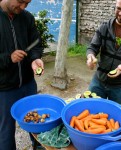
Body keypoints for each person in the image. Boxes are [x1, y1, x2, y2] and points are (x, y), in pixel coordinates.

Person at [0, 0, 44, 150]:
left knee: (36, 123)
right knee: (5, 130)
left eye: (27, 3)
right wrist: (8, 58)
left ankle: (38, 147)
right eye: (21, 1)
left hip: (28, 83)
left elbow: (36, 43)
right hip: (4, 88)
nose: (24, 7)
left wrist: (35, 58)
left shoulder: (27, 18)